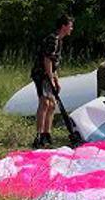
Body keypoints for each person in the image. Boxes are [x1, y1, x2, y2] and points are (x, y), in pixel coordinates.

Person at [30, 15, 74, 148]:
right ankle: (39, 136)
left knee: (52, 105)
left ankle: (46, 134)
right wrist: (50, 78)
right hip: (41, 74)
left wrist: (56, 80)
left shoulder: (59, 41)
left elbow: (54, 63)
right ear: (63, 26)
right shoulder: (52, 39)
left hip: (48, 74)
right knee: (45, 103)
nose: (72, 28)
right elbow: (47, 59)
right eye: (70, 25)